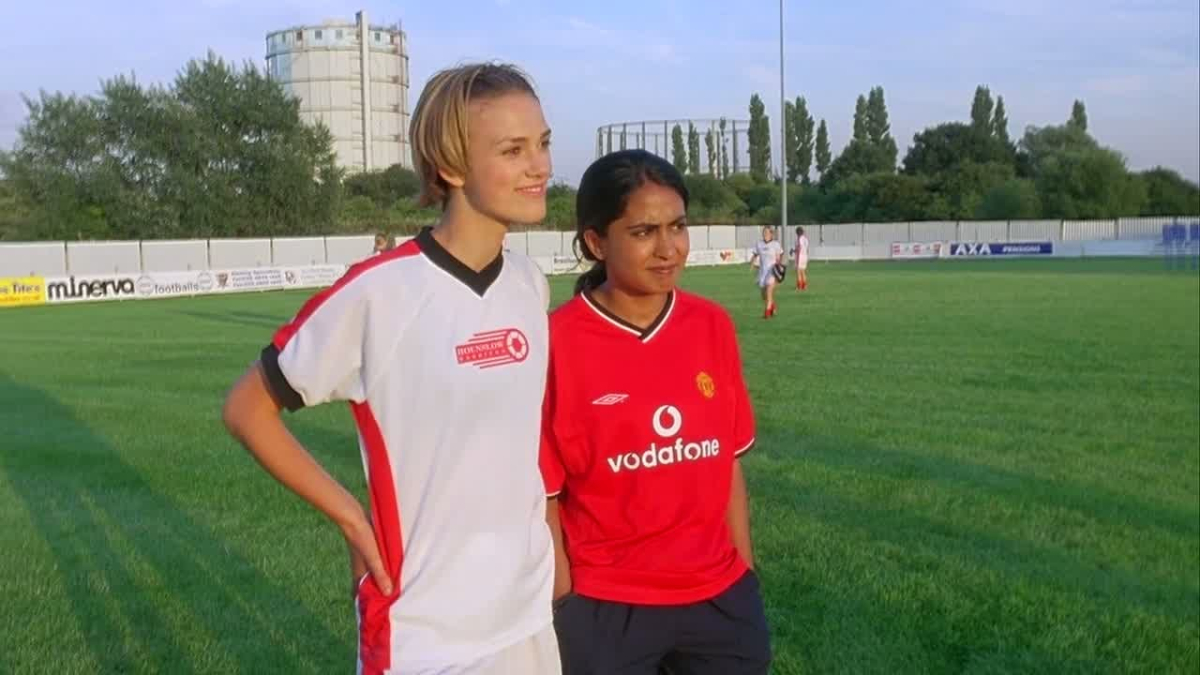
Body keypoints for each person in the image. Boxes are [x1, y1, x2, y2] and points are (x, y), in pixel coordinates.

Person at [222, 62, 561, 674]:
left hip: (525, 615)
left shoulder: (529, 284)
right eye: (513, 150)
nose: (540, 166)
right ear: (451, 167)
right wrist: (351, 517)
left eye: (542, 143)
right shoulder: (380, 294)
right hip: (425, 630)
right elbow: (247, 408)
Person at [540, 149, 772, 674]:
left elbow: (727, 463)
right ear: (597, 242)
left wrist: (744, 576)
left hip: (720, 600)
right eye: (644, 232)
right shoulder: (557, 342)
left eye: (678, 226)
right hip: (607, 608)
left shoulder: (711, 326)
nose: (668, 249)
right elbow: (546, 494)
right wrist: (566, 602)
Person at [749, 226, 784, 318]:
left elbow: (779, 256)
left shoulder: (776, 244)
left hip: (772, 271)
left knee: (769, 290)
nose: (765, 234)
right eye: (764, 232)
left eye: (767, 232)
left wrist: (779, 267)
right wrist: (752, 264)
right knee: (763, 295)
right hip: (762, 271)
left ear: (771, 233)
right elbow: (755, 255)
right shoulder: (759, 244)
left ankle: (767, 313)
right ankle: (772, 306)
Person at [793, 225, 810, 291]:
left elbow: (799, 247)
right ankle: (805, 286)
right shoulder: (805, 239)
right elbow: (807, 248)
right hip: (805, 256)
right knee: (803, 272)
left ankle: (799, 287)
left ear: (797, 233)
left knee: (798, 272)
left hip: (799, 256)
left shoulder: (799, 239)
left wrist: (794, 251)